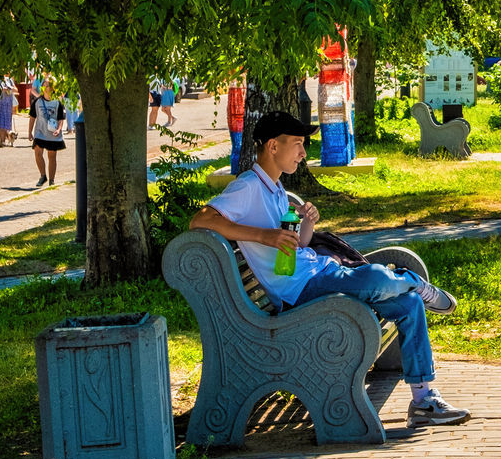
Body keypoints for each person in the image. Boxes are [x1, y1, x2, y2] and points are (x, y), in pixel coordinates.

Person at [188, 111, 469, 426]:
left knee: (409, 304)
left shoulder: (275, 188)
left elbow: (298, 246)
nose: (304, 153)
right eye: (297, 144)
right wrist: (263, 235)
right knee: (377, 276)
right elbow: (201, 220)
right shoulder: (249, 186)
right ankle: (412, 280)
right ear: (272, 146)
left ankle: (423, 401)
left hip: (313, 274)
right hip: (300, 290)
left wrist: (305, 225)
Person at [28, 81, 68, 186]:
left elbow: (61, 118)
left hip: (53, 134)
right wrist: (29, 132)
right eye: (44, 85)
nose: (46, 87)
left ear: (53, 87)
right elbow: (32, 117)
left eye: (49, 85)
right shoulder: (37, 102)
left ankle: (51, 180)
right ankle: (43, 176)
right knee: (37, 152)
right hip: (40, 132)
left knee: (52, 156)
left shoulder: (58, 101)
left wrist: (59, 129)